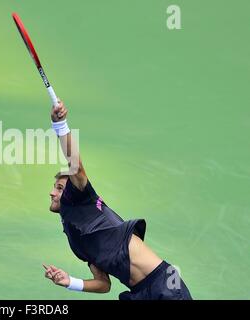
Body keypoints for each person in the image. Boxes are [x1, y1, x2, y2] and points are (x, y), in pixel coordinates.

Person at [43, 99, 192, 300]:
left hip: (165, 284)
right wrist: (69, 281)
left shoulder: (84, 200)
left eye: (59, 188)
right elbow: (103, 284)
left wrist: (60, 125)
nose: (52, 193)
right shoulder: (76, 238)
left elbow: (75, 166)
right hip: (138, 293)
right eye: (54, 188)